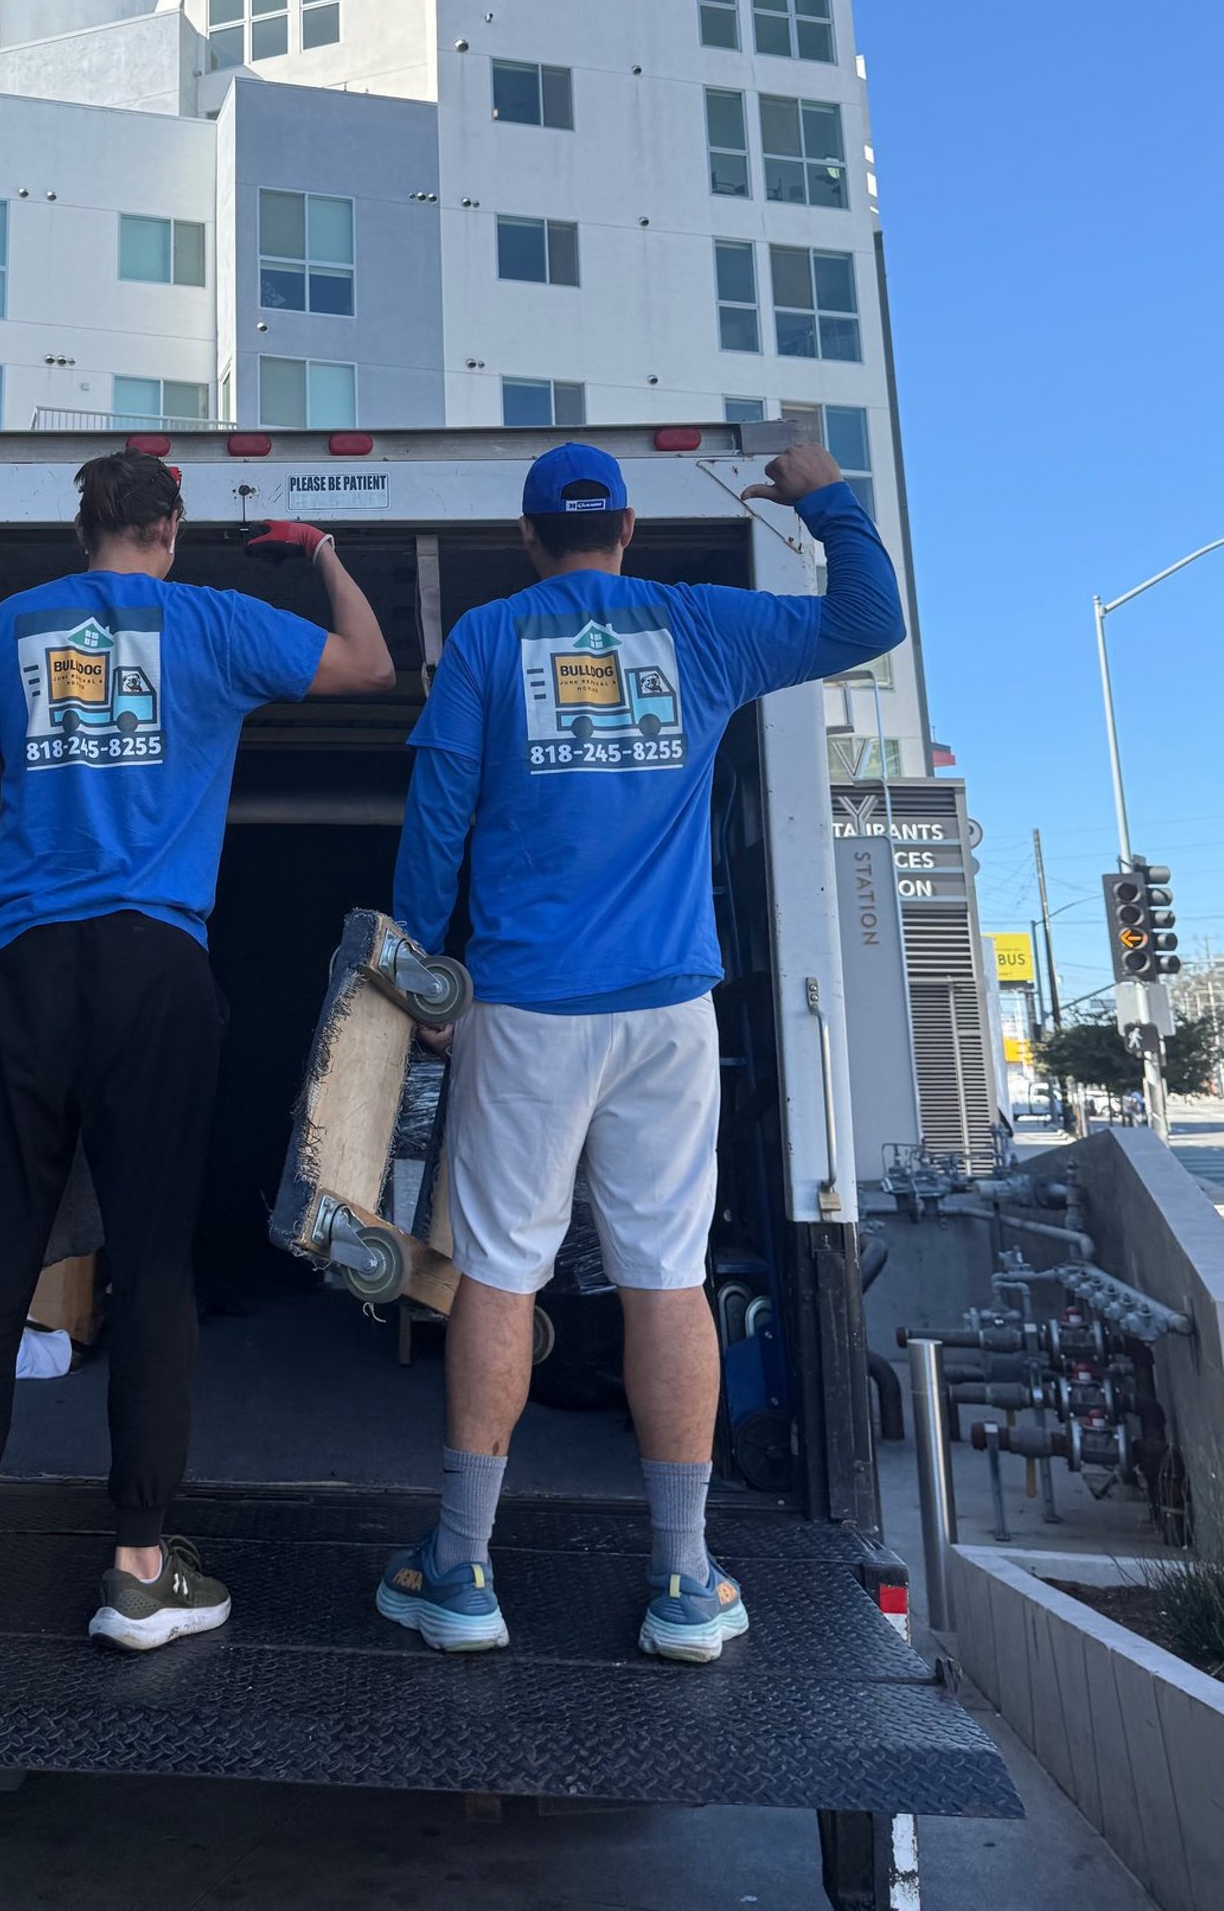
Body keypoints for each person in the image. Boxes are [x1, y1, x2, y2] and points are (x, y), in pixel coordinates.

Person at [376, 438, 904, 1662]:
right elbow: (868, 617)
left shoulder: (488, 640)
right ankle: (684, 1580)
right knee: (666, 1277)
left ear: (528, 540)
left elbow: (438, 816)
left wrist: (422, 977)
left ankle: (459, 1571)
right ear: (626, 531)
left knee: (501, 1273)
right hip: (669, 1012)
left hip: (523, 1006)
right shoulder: (702, 627)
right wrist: (824, 494)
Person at [0, 449, 394, 1652]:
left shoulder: (8, 629)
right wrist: (321, 553)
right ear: (168, 528)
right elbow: (373, 663)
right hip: (157, 970)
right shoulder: (215, 622)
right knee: (155, 1260)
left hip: (25, 967)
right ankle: (136, 1567)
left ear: (84, 529)